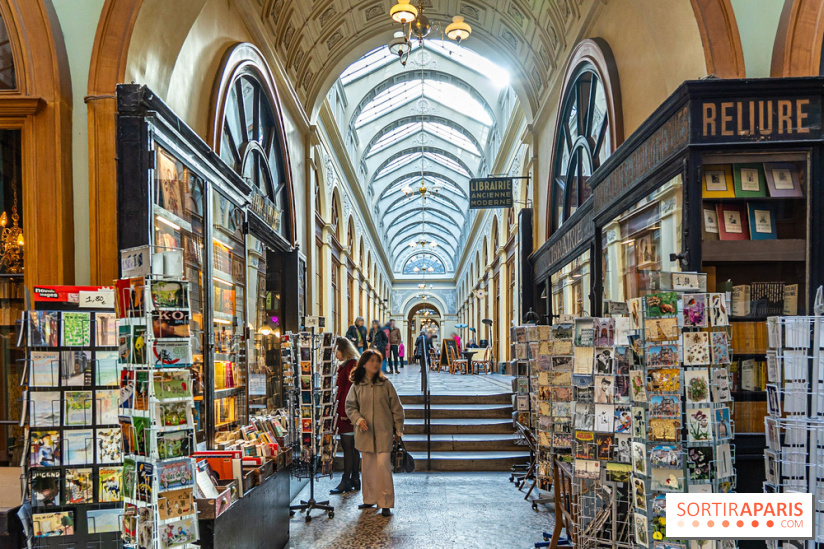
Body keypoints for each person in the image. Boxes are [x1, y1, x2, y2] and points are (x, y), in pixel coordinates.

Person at [345, 350, 404, 517]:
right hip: (365, 434)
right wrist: (358, 419)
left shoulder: (386, 384)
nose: (375, 364)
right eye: (371, 360)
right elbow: (350, 406)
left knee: (383, 468)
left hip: (384, 433)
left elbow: (397, 408)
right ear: (364, 364)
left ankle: (385, 502)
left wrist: (398, 429)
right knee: (368, 468)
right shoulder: (357, 386)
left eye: (378, 361)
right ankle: (369, 499)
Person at [330, 337, 361, 494]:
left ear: (343, 350)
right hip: (347, 413)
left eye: (336, 351)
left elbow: (349, 392)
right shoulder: (349, 364)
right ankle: (355, 478)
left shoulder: (350, 365)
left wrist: (344, 413)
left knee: (348, 448)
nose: (335, 354)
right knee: (353, 449)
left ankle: (346, 480)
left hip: (346, 414)